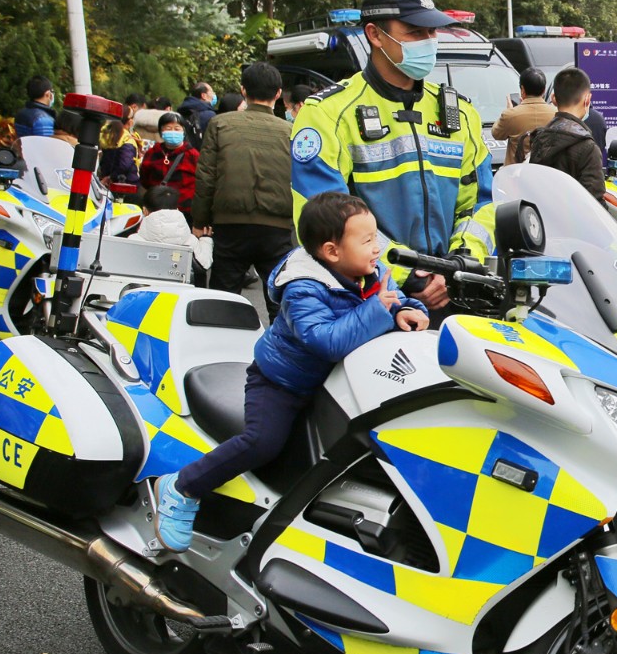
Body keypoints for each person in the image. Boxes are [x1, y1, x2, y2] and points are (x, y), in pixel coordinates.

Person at [149, 193, 428, 550]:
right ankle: (182, 487)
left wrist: (406, 310)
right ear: (331, 251)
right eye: (368, 240)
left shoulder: (365, 274)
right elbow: (323, 340)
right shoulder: (303, 287)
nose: (378, 248)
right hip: (281, 383)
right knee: (263, 442)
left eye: (377, 237)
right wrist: (378, 310)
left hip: (328, 386)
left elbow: (395, 298)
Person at [290, 0, 494, 311]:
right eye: (415, 32)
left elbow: (481, 206)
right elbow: (322, 220)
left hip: (453, 293)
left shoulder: (461, 114)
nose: (428, 41)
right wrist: (407, 276)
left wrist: (458, 265)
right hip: (367, 299)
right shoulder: (327, 114)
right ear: (374, 35)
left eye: (432, 32)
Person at [193, 61, 297, 310]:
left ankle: (221, 347)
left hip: (230, 224)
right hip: (278, 227)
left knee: (223, 301)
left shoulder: (220, 124)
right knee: (279, 303)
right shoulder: (291, 131)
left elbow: (206, 176)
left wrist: (200, 220)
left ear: (243, 90)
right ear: (278, 94)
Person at [528, 67, 605, 202]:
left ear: (554, 99)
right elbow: (595, 201)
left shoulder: (539, 138)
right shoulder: (587, 147)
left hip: (544, 218)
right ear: (587, 99)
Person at [134, 184, 214, 282]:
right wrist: (206, 239)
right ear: (177, 209)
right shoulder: (190, 240)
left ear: (145, 211)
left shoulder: (134, 240)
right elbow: (203, 264)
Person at [140, 112, 201, 219]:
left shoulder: (193, 155)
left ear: (183, 131)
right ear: (161, 131)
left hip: (184, 211)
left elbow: (201, 182)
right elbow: (144, 179)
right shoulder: (152, 152)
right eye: (168, 128)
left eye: (177, 129)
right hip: (156, 210)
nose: (173, 132)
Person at [492, 67, 557, 164]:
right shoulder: (556, 113)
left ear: (522, 89)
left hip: (515, 174)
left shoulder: (511, 115)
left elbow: (496, 133)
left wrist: (509, 110)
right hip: (546, 173)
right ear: (544, 90)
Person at [98, 99, 143, 191]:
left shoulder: (106, 134)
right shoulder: (127, 138)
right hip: (126, 184)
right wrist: (110, 177)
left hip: (104, 182)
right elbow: (125, 164)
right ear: (130, 122)